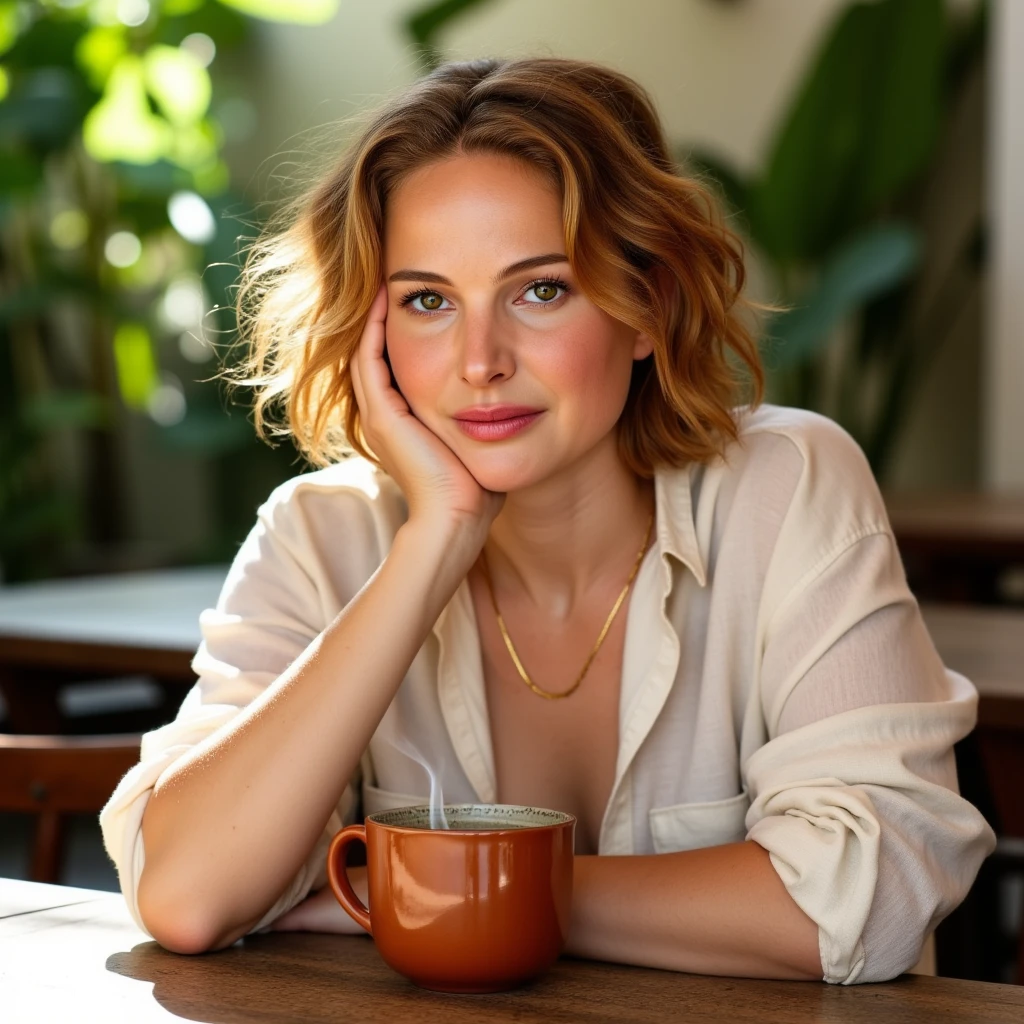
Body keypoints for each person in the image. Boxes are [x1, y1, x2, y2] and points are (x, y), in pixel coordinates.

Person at [99, 56, 994, 985]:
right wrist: (436, 539)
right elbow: (189, 896)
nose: (480, 360)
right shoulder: (322, 537)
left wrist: (436, 894)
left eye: (541, 289)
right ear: (375, 334)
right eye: (428, 301)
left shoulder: (788, 486)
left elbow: (866, 899)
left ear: (644, 304)